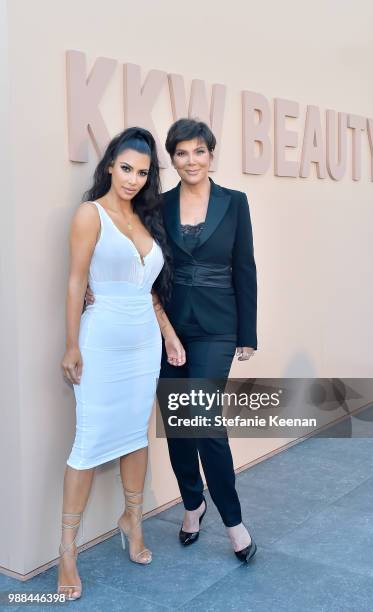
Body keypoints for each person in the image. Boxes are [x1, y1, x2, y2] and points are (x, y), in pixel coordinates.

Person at [58, 127, 185, 600]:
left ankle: (132, 519)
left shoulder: (147, 219)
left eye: (142, 171)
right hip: (102, 342)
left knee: (136, 435)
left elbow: (148, 291)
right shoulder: (90, 214)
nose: (132, 178)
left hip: (144, 344)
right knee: (89, 443)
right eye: (126, 167)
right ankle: (67, 550)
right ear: (110, 165)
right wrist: (71, 344)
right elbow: (75, 282)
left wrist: (169, 334)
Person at [159, 118, 258, 563]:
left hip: (219, 325)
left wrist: (248, 332)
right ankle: (192, 503)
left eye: (199, 151)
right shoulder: (159, 205)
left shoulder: (234, 202)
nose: (191, 160)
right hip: (172, 324)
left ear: (211, 155)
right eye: (182, 153)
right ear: (173, 159)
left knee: (203, 420)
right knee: (178, 422)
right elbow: (153, 268)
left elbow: (245, 267)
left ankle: (233, 519)